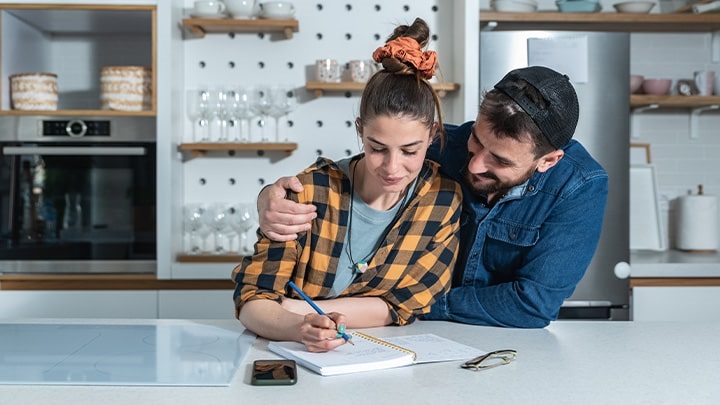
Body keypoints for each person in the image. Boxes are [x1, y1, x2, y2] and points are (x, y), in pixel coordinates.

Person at [256, 65, 609, 329]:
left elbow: (533, 305)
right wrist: (268, 198)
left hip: (499, 340)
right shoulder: (435, 146)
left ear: (548, 161)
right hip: (404, 331)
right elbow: (352, 171)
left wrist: (410, 303)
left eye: (500, 160)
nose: (475, 163)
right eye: (477, 140)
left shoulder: (580, 186)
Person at [232, 17, 462, 352]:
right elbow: (252, 300)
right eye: (377, 148)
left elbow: (409, 303)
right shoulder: (309, 192)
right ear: (360, 131)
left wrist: (295, 307)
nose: (393, 167)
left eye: (410, 150)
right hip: (296, 357)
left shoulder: (442, 199)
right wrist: (298, 327)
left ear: (432, 136)